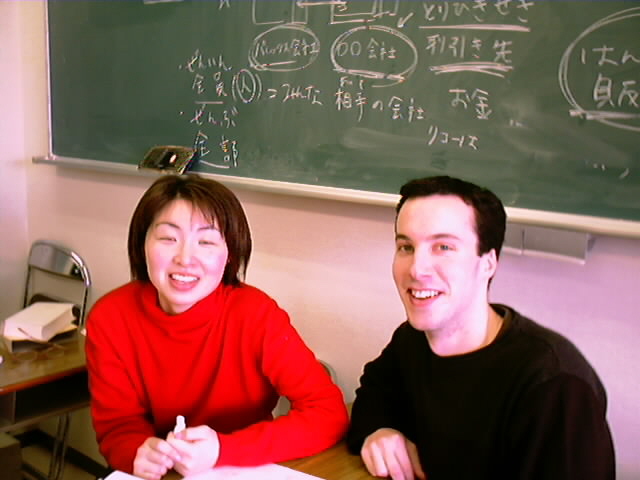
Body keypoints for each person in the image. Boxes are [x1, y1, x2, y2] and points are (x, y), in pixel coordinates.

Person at [346, 176, 615, 480]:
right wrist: (379, 431)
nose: (417, 269)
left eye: (443, 247)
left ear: (488, 263)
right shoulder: (412, 339)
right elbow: (372, 397)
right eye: (406, 247)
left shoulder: (555, 384)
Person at [86, 174, 348, 480]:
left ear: (230, 255)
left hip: (246, 470)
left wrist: (224, 450)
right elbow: (117, 427)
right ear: (142, 243)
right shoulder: (110, 317)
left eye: (206, 242)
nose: (185, 258)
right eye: (168, 238)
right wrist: (137, 452)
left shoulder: (256, 315)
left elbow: (328, 413)